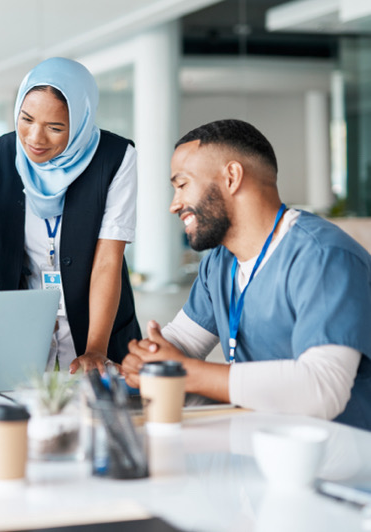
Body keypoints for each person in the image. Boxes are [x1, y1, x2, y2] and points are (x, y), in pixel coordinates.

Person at [122, 119, 371, 430]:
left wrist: (183, 371)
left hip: (342, 458)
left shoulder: (324, 257)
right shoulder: (220, 262)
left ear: (231, 177)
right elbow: (182, 342)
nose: (175, 205)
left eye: (182, 184)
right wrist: (147, 358)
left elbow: (321, 389)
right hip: (263, 442)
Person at [0, 57, 141, 374]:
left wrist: (96, 349)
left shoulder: (114, 158)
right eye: (26, 119)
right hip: (19, 325)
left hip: (98, 324)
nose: (35, 138)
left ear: (81, 121)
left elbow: (107, 261)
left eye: (55, 127)